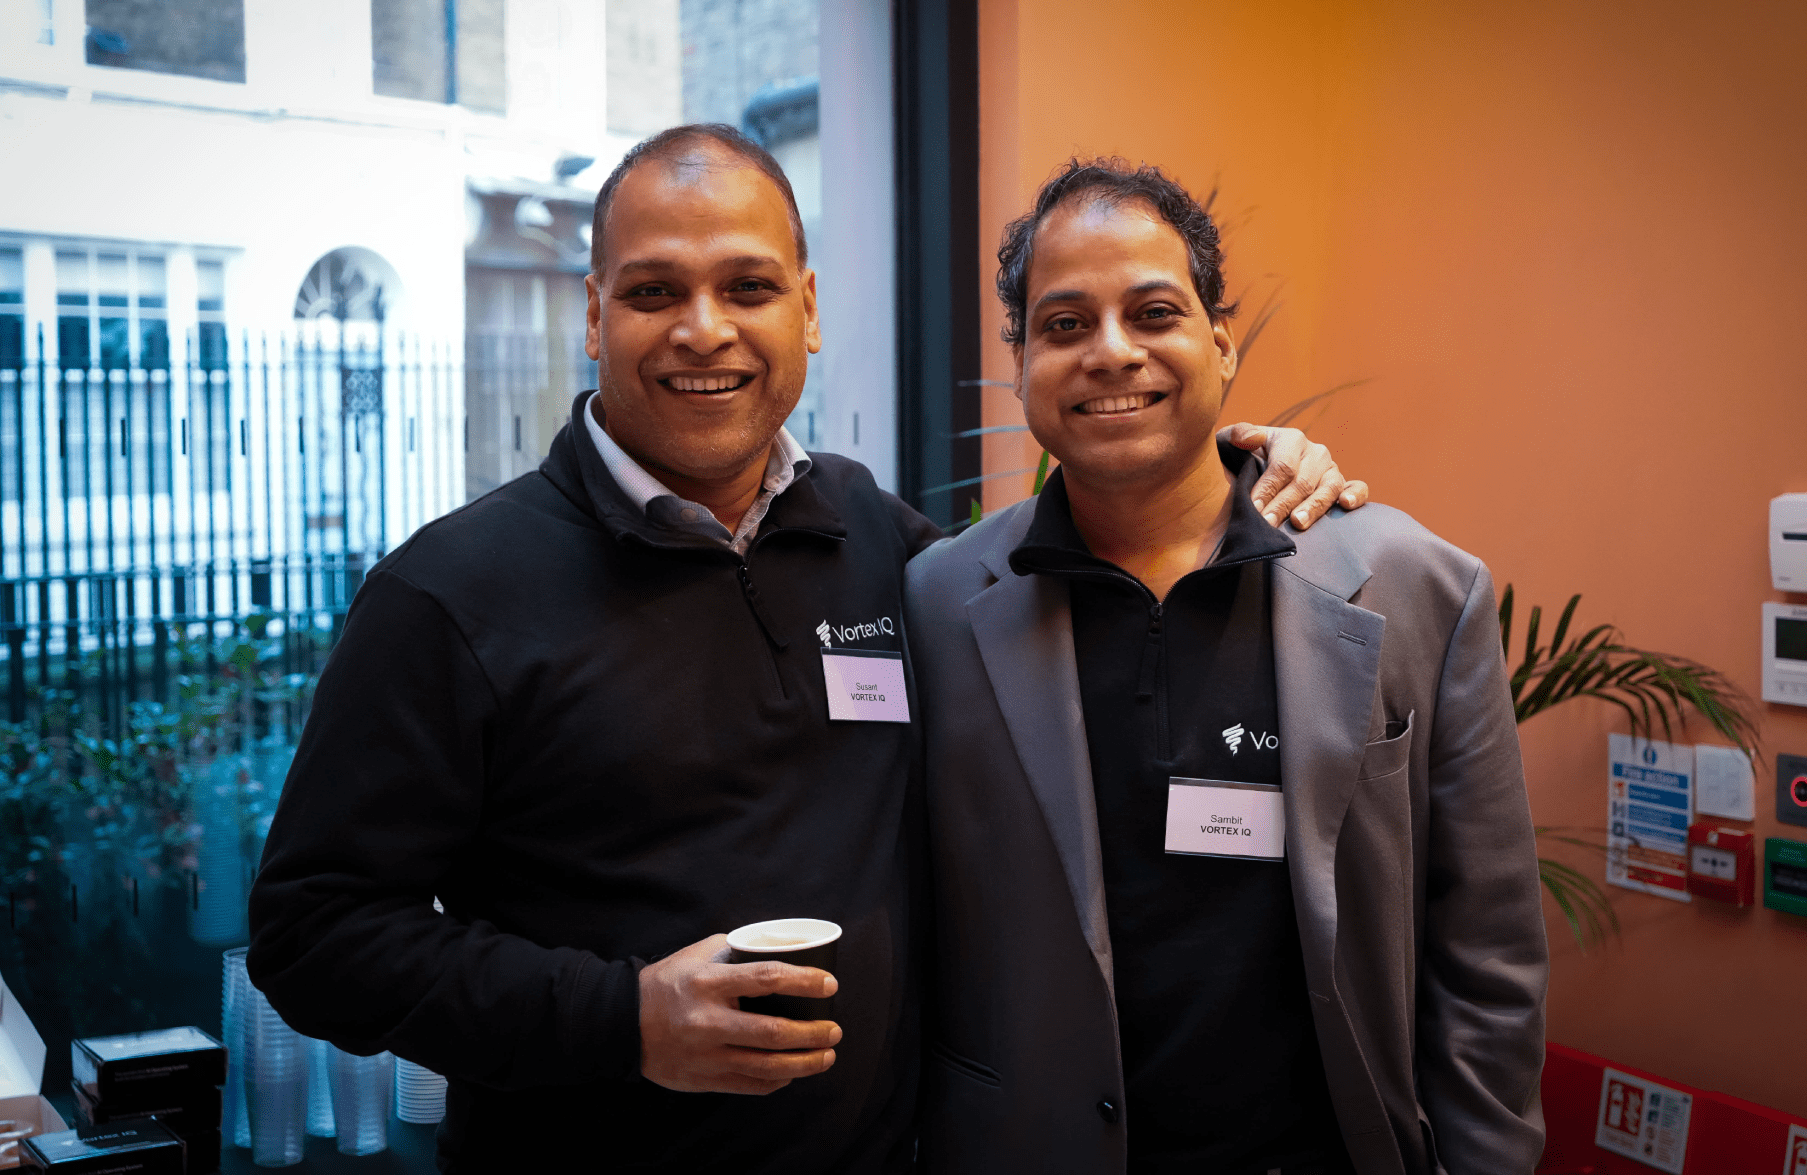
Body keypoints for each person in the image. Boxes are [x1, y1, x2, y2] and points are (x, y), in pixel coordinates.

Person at [246, 125, 1367, 1173]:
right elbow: (312, 934)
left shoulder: (876, 539)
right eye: (653, 292)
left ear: (808, 308)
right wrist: (622, 1018)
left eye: (748, 287)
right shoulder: (450, 593)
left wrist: (1228, 470)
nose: (704, 329)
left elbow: (1087, 568)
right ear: (593, 315)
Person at [905, 159, 1548, 1175]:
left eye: (1153, 312)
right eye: (1065, 324)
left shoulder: (1416, 587)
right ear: (1020, 361)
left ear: (1220, 342)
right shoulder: (939, 602)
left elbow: (1488, 955)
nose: (1112, 351)